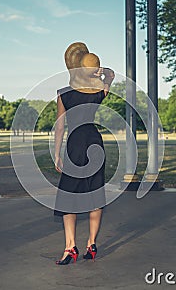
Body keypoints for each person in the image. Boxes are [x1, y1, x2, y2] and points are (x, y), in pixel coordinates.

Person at [54, 42, 115, 265]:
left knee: (68, 197)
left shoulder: (63, 94)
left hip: (75, 146)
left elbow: (60, 126)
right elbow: (111, 74)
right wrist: (100, 72)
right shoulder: (99, 91)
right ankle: (91, 244)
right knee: (95, 196)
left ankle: (70, 247)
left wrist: (57, 153)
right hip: (95, 143)